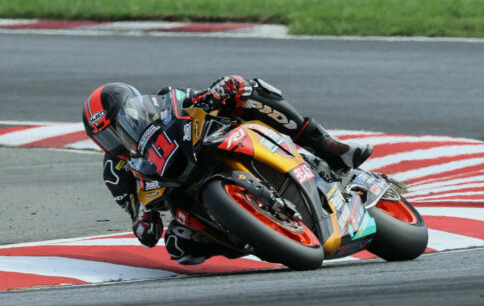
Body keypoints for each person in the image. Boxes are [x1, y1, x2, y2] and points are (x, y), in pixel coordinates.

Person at [82, 76, 373, 264]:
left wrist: (218, 92)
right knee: (179, 247)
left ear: (132, 109)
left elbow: (197, 99)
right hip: (183, 192)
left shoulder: (165, 99)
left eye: (116, 128)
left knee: (247, 92)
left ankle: (327, 147)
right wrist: (145, 217)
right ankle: (250, 235)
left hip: (207, 144)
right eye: (107, 138)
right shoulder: (116, 171)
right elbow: (143, 229)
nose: (116, 140)